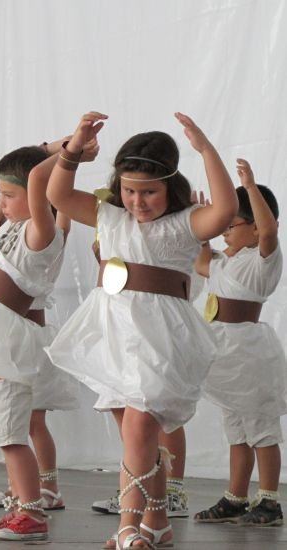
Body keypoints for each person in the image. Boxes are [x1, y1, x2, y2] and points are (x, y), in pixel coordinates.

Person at [46, 111, 238, 549]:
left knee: (138, 428)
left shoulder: (185, 223)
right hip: (113, 335)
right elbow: (58, 193)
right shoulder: (110, 216)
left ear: (171, 186)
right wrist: (73, 148)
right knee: (139, 436)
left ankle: (128, 527)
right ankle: (157, 523)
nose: (137, 201)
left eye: (149, 192)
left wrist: (206, 150)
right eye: (129, 190)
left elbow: (226, 210)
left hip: (160, 338)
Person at [194, 158, 285, 526]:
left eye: (231, 225)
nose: (225, 233)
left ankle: (269, 499)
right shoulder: (225, 261)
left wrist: (249, 187)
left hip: (249, 355)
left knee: (261, 428)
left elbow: (269, 232)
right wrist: (203, 226)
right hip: (224, 354)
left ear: (255, 226)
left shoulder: (261, 260)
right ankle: (236, 495)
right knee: (236, 429)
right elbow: (201, 263)